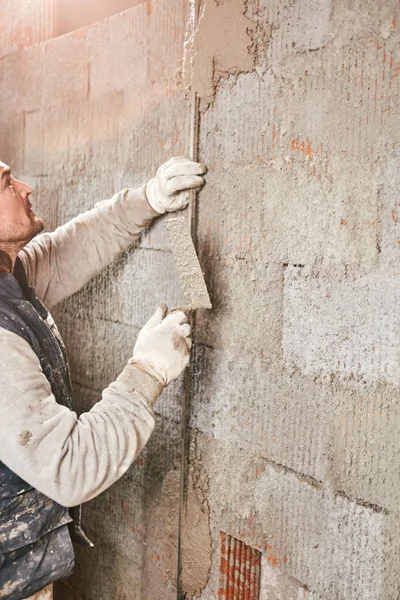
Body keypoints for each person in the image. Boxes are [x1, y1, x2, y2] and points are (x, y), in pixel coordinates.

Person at [0, 156, 206, 600]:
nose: (25, 187)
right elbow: (70, 465)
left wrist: (146, 199)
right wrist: (146, 373)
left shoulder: (7, 277)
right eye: (5, 184)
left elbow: (66, 250)